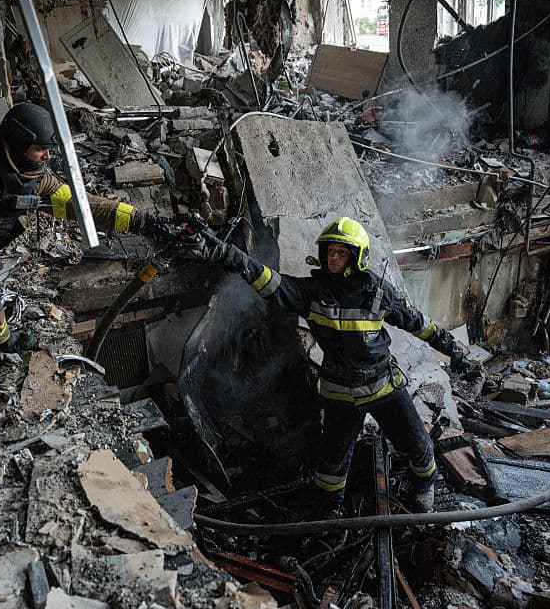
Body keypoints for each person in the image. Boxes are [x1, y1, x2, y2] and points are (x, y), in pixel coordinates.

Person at [189, 216, 472, 514]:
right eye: (330, 252)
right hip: (341, 395)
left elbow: (418, 324)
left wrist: (454, 350)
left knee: (418, 444)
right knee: (332, 466)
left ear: (357, 256)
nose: (334, 258)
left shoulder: (376, 292)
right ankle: (331, 511)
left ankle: (424, 488)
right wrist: (227, 254)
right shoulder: (313, 292)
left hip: (384, 386)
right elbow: (269, 280)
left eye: (342, 252)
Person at [0, 102, 168, 353]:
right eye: (40, 148)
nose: (47, 155)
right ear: (19, 142)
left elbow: (80, 205)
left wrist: (142, 221)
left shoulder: (29, 173)